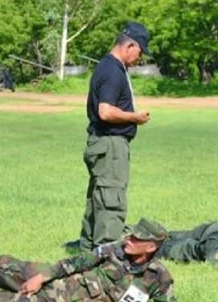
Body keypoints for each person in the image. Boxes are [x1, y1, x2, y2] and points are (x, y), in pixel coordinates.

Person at [0, 219, 177, 302]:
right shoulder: (114, 250)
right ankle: (21, 283)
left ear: (150, 247)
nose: (128, 239)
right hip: (60, 282)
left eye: (136, 239)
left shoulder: (157, 275)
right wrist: (42, 277)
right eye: (131, 235)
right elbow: (74, 263)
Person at [78, 22, 152, 251]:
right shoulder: (112, 71)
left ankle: (88, 248)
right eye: (140, 52)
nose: (139, 59)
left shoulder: (110, 67)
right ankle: (106, 254)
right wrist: (134, 117)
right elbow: (106, 111)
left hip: (103, 142)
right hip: (110, 144)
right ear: (129, 45)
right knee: (111, 200)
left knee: (98, 199)